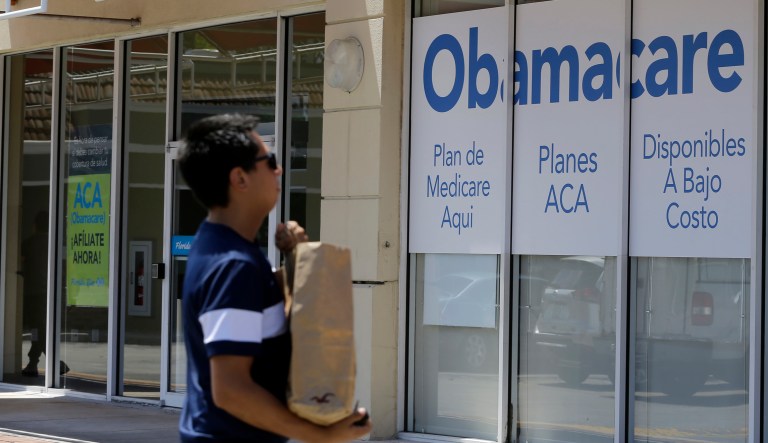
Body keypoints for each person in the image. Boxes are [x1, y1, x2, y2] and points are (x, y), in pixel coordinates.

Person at [177, 113, 372, 443]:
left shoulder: (218, 247)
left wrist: (296, 258)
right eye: (269, 161)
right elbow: (231, 389)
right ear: (240, 178)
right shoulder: (233, 266)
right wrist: (319, 435)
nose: (278, 170)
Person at [20, 211, 70, 377]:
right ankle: (34, 363)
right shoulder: (55, 243)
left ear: (35, 226)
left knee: (37, 330)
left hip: (33, 294)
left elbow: (20, 265)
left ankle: (51, 362)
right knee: (41, 329)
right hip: (51, 293)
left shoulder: (29, 244)